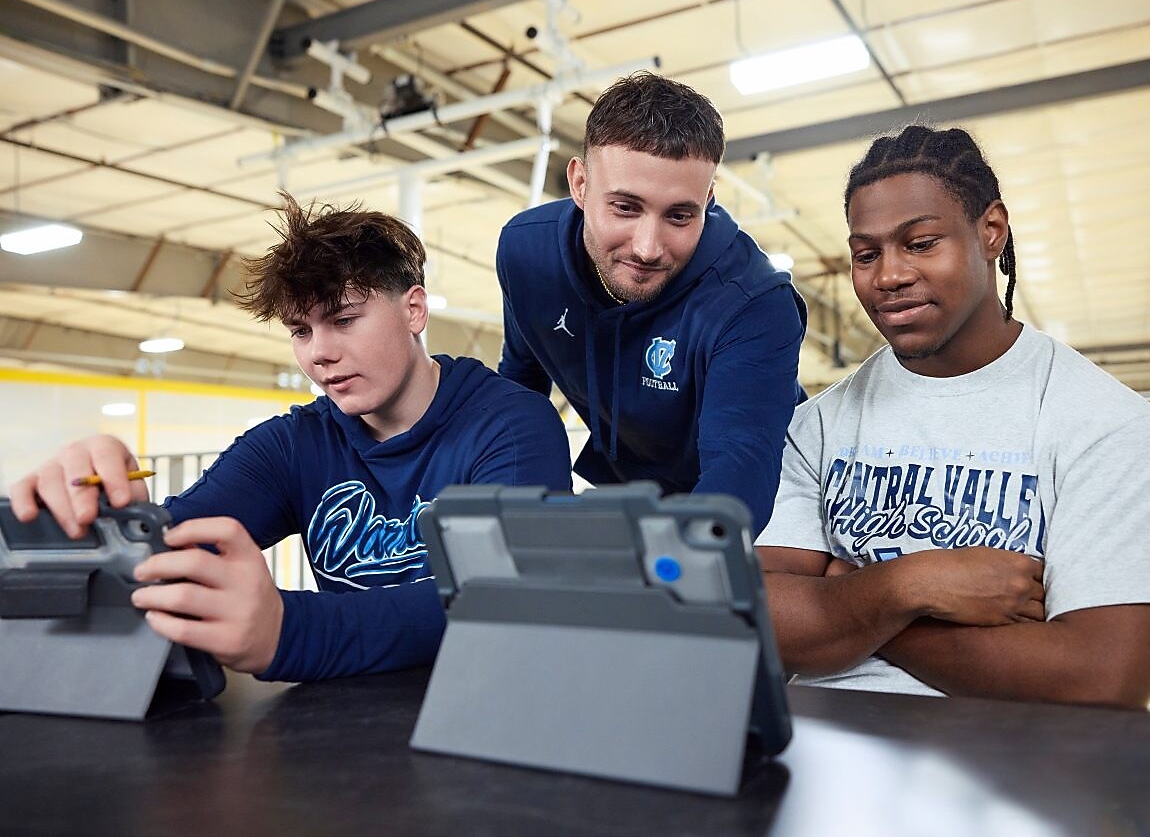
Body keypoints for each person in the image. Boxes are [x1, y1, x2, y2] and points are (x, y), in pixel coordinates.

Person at [9, 195, 571, 682]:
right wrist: (110, 525)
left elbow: (499, 597)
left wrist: (291, 630)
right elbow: (170, 553)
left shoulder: (512, 425)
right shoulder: (291, 445)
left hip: (489, 710)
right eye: (301, 330)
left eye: (343, 320)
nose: (319, 353)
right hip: (344, 733)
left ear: (414, 310)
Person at [756, 126, 1150, 708]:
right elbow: (761, 620)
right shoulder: (816, 425)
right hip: (822, 742)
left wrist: (850, 597)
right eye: (866, 255)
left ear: (991, 231)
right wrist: (911, 584)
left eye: (921, 243)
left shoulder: (1106, 425)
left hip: (1010, 755)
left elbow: (1100, 681)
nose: (889, 275)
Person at [496, 71, 807, 536]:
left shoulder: (755, 303)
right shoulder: (525, 253)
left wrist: (682, 556)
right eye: (625, 207)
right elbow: (521, 391)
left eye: (679, 216)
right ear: (579, 183)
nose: (647, 248)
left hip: (770, 506)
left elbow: (741, 462)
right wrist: (527, 524)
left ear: (708, 200)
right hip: (638, 493)